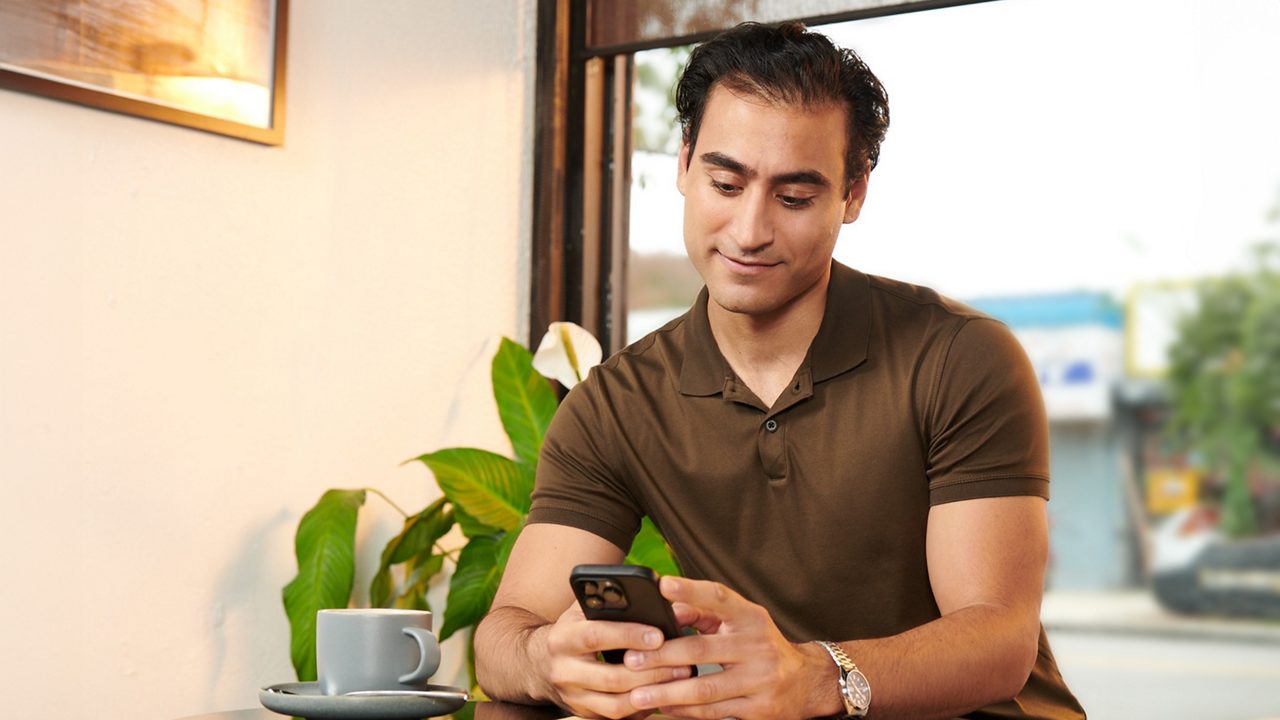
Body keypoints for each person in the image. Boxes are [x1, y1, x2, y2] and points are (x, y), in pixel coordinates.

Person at [475, 20, 1085, 720]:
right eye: (726, 182)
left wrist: (816, 677)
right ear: (683, 164)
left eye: (794, 197)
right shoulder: (617, 403)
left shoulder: (960, 358)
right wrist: (549, 661)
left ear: (853, 194)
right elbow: (503, 633)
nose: (749, 230)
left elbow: (999, 638)